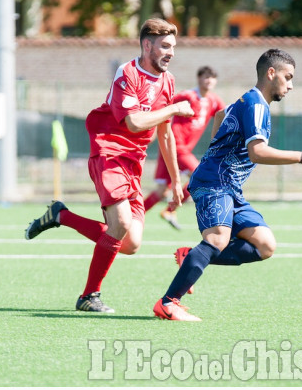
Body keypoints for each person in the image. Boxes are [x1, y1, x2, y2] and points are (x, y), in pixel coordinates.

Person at [25, 18, 194, 313]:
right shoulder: (127, 73)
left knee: (130, 244)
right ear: (147, 45)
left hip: (133, 162)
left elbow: (165, 132)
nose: (171, 52)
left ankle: (61, 216)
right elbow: (134, 121)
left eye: (173, 47)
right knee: (121, 224)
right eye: (165, 46)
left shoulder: (168, 81)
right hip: (109, 152)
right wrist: (176, 108)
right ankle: (89, 296)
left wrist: (177, 181)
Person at [153, 48, 302, 321]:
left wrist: (215, 150)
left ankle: (193, 257)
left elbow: (220, 115)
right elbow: (257, 151)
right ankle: (168, 303)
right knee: (217, 239)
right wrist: (300, 157)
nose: (290, 85)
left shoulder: (249, 100)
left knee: (265, 245)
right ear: (271, 73)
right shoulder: (256, 104)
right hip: (214, 183)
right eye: (288, 77)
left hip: (228, 186)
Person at [143, 66, 225, 231]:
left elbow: (226, 113)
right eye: (205, 76)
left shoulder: (213, 100)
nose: (209, 80)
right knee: (202, 177)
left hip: (178, 150)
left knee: (161, 191)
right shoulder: (187, 96)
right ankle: (170, 210)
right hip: (176, 146)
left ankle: (134, 217)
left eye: (212, 77)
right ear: (199, 78)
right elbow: (162, 105)